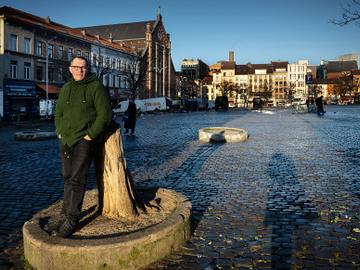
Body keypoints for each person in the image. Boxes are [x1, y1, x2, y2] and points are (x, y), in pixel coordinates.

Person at [53, 56, 112, 238]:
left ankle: (71, 220)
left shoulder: (96, 87)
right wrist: (60, 133)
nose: (80, 70)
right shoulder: (66, 88)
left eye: (84, 67)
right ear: (70, 69)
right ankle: (64, 214)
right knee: (67, 177)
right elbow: (59, 113)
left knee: (77, 179)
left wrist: (89, 136)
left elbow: (105, 115)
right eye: (77, 67)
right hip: (67, 140)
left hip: (84, 141)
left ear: (87, 69)